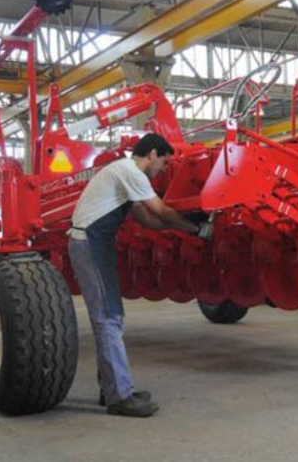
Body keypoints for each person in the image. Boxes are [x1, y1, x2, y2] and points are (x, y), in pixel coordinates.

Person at [68, 133, 211, 418]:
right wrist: (196, 229)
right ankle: (119, 397)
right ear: (153, 153)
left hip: (97, 243)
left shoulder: (121, 173)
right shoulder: (130, 171)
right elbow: (159, 210)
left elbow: (145, 219)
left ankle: (111, 387)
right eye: (164, 162)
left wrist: (181, 226)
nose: (164, 169)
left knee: (113, 315)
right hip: (89, 243)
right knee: (107, 317)